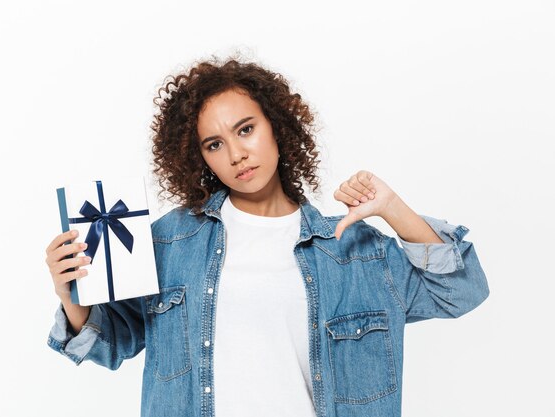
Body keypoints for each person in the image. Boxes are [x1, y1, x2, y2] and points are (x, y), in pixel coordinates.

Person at [45, 57, 489, 417]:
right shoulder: (169, 241)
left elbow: (461, 290)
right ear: (199, 157)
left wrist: (392, 206)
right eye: (214, 144)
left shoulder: (355, 252)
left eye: (245, 129)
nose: (237, 154)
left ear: (276, 126)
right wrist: (73, 295)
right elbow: (110, 344)